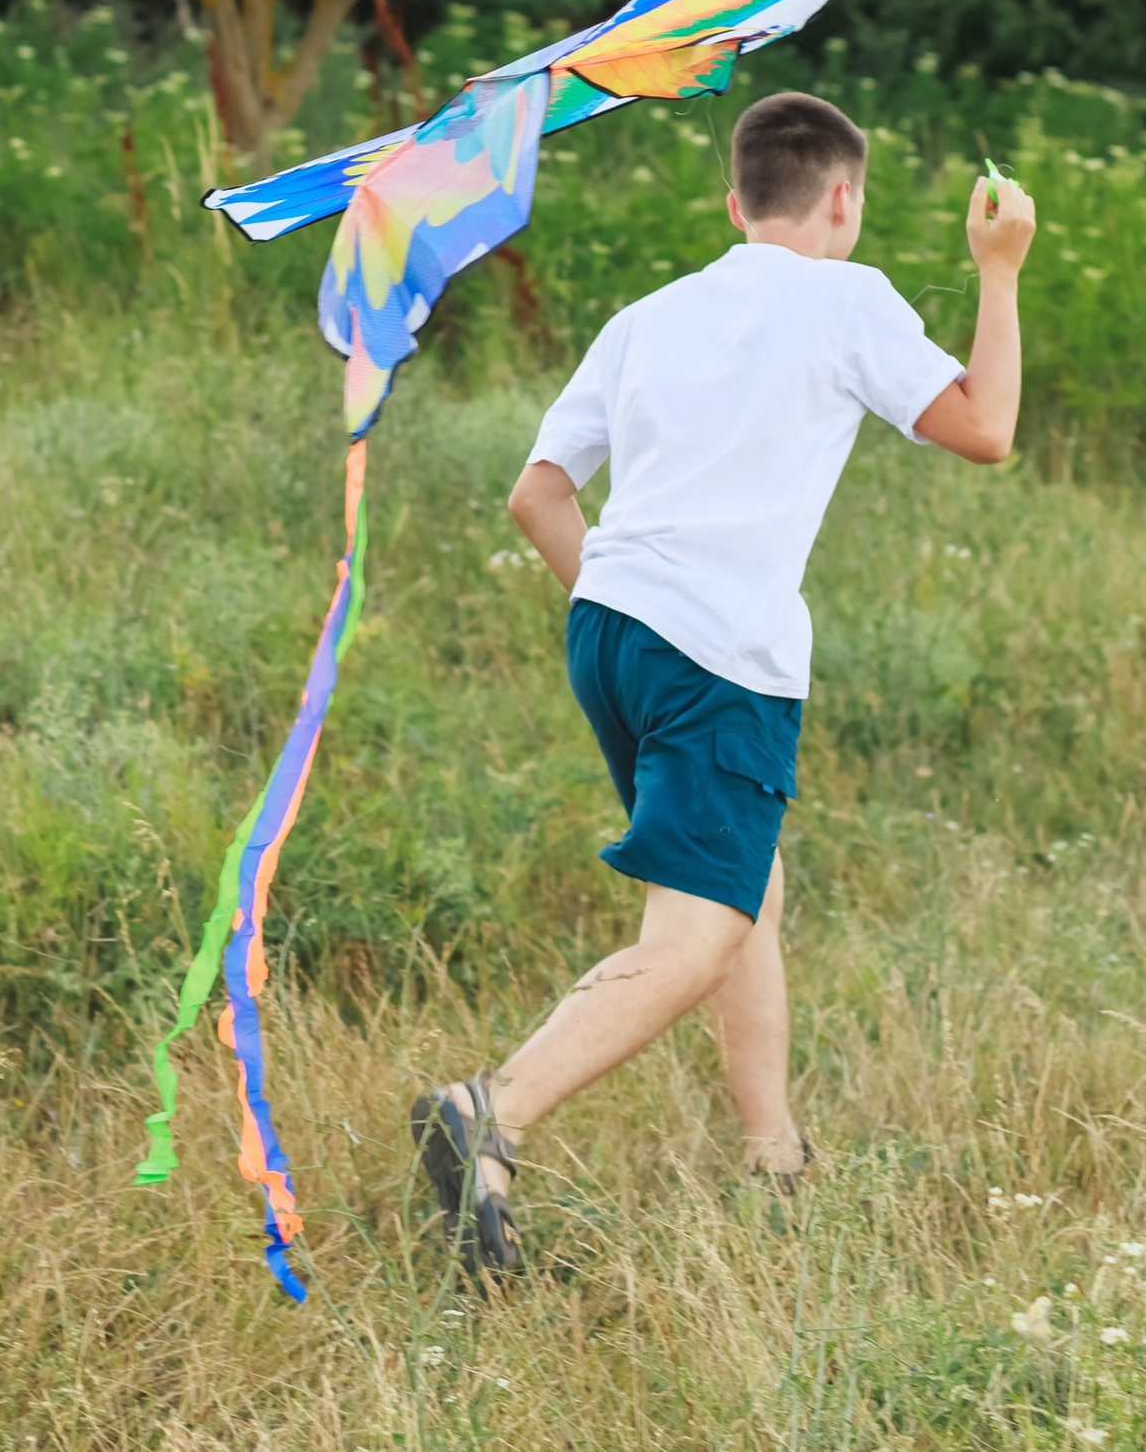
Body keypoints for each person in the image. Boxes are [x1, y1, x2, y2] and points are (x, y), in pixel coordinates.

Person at [411, 90, 1035, 1274]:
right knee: (697, 933)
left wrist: (629, 599)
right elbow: (986, 427)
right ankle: (491, 1111)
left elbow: (536, 496)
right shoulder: (847, 298)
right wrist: (996, 271)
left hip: (610, 635)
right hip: (714, 657)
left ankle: (772, 1159)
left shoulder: (645, 316)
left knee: (748, 886)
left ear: (734, 204)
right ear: (842, 200)